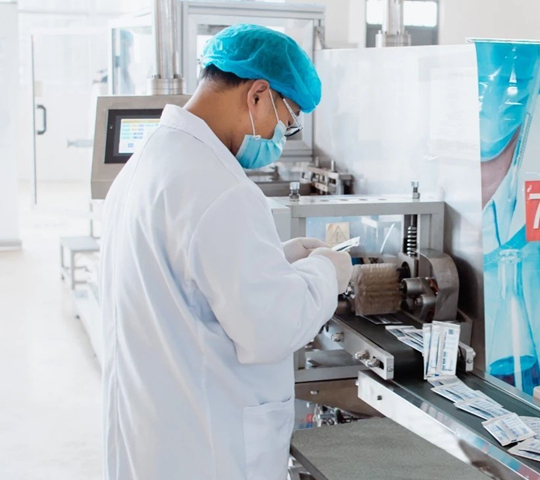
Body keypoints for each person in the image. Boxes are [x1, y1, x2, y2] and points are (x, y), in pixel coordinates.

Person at [99, 24, 352, 480]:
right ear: (257, 94)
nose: (279, 136)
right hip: (207, 447)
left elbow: (187, 280)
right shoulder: (218, 187)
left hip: (156, 433)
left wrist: (275, 259)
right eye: (287, 120)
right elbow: (271, 328)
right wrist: (325, 273)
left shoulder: (152, 159)